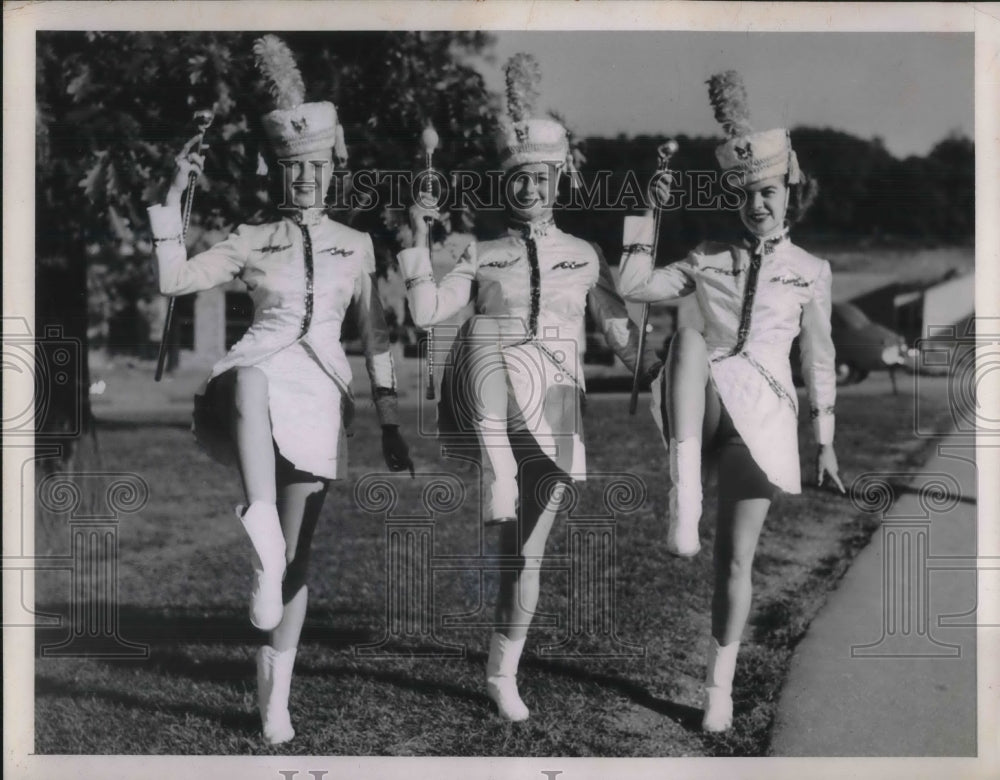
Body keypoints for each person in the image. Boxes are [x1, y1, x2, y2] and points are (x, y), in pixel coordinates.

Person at [146, 35, 412, 745]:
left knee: (296, 563)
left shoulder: (355, 246)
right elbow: (174, 281)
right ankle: (257, 516)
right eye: (293, 170)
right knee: (253, 375)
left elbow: (376, 337)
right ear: (277, 172)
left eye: (316, 168)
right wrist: (169, 203)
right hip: (254, 382)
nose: (305, 181)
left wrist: (389, 423)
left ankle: (274, 699)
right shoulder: (248, 237)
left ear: (332, 167)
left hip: (321, 395)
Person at [396, 54, 660, 722]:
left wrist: (640, 345)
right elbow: (428, 314)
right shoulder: (478, 252)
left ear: (556, 179)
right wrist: (416, 242)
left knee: (527, 556)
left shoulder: (584, 254)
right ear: (506, 185)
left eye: (539, 178)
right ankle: (497, 467)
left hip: (560, 398)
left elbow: (617, 328)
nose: (529, 191)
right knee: (488, 328)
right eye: (517, 181)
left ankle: (500, 670)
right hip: (492, 384)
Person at [617, 70, 845, 733]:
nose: (757, 205)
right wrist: (649, 210)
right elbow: (633, 282)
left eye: (767, 192)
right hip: (704, 400)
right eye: (745, 195)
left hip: (765, 418)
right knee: (688, 340)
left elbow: (818, 358)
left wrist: (826, 438)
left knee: (736, 561)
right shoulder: (707, 255)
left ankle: (718, 689)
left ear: (788, 191)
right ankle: (682, 498)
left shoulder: (811, 271)